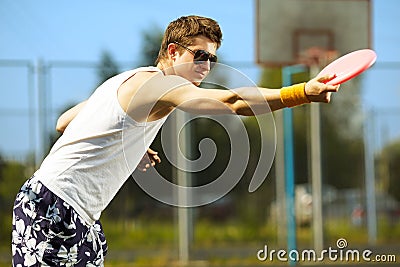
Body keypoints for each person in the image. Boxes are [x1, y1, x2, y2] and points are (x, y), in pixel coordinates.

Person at [12, 15, 338, 266]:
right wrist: (301, 92)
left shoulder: (123, 81)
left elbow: (63, 122)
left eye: (212, 59)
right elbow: (233, 103)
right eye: (199, 55)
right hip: (53, 205)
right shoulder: (157, 86)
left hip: (75, 213)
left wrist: (129, 141)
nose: (206, 66)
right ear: (172, 51)